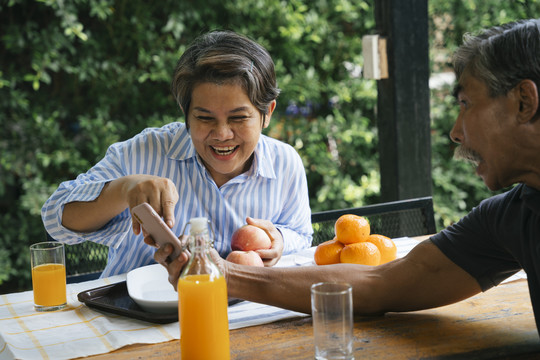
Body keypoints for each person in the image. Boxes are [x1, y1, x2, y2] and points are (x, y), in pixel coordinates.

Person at [154, 19, 540, 333]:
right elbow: (380, 284)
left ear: (524, 102)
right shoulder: (511, 217)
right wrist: (224, 274)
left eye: (466, 103)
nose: (456, 131)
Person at [41, 30, 313, 277]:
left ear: (268, 114)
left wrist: (277, 239)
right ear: (186, 114)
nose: (221, 134)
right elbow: (56, 219)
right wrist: (124, 189)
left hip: (245, 315)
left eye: (238, 118)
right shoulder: (145, 152)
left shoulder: (285, 163)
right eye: (205, 118)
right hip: (136, 318)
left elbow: (301, 234)